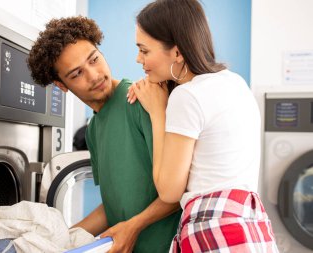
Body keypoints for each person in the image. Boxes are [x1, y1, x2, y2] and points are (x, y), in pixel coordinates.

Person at [128, 0, 280, 252]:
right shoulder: (235, 83)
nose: (138, 59)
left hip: (215, 233)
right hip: (251, 229)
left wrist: (157, 111)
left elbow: (169, 191)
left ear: (176, 53)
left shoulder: (187, 96)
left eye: (144, 50)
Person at [27, 16, 181, 253]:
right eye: (77, 73)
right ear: (62, 85)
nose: (94, 75)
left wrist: (133, 227)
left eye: (94, 59)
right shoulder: (93, 130)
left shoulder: (142, 101)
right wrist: (62, 240)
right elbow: (114, 205)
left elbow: (178, 191)